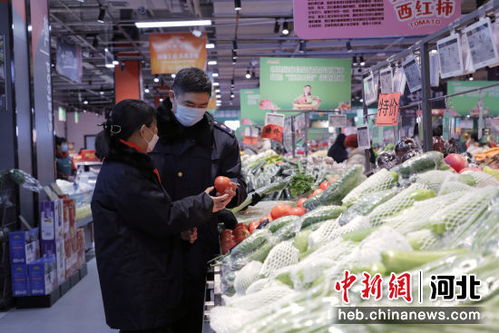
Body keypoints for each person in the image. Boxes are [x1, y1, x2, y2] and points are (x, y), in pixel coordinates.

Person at [91, 99, 232, 333]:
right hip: (138, 280)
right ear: (143, 130)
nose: (157, 133)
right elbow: (163, 214)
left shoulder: (128, 163)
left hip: (144, 271)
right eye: (155, 127)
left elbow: (148, 217)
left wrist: (179, 231)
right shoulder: (124, 172)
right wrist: (205, 203)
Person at [151, 68, 247, 333]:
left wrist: (232, 191)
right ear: (172, 97)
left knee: (191, 316)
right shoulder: (149, 134)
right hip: (156, 241)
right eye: (189, 104)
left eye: (202, 106)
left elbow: (237, 180)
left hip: (200, 241)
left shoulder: (222, 138)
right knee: (153, 317)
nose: (195, 111)